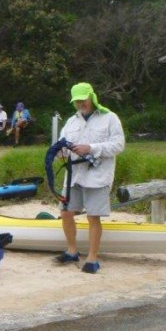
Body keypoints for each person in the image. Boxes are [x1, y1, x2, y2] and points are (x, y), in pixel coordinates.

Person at [55, 82, 125, 274]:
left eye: (83, 100)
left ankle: (92, 257)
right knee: (66, 212)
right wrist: (60, 152)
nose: (80, 104)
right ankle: (72, 251)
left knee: (93, 216)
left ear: (91, 97)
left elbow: (119, 145)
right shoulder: (71, 122)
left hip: (98, 176)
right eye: (76, 101)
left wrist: (91, 148)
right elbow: (61, 144)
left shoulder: (110, 118)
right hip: (73, 176)